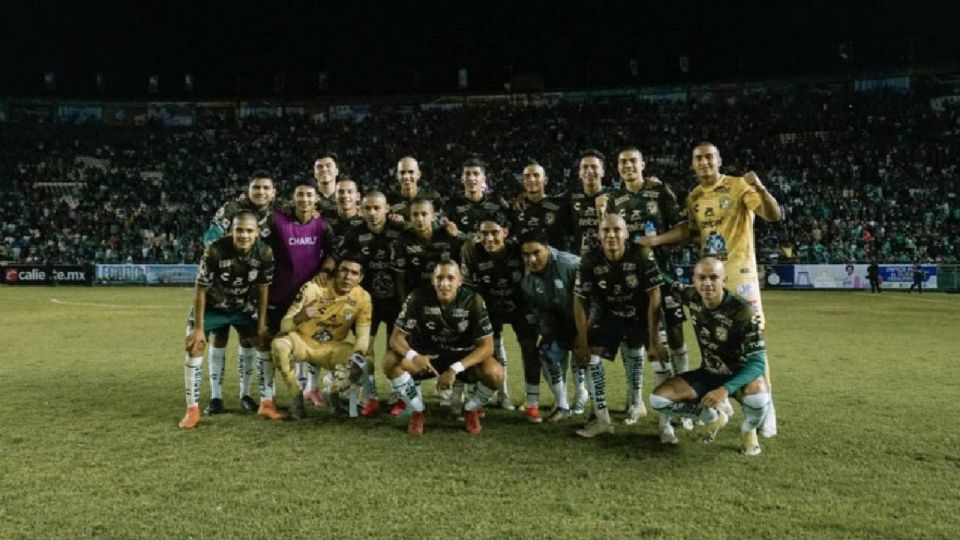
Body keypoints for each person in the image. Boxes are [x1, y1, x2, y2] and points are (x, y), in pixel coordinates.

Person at [642, 142, 782, 438]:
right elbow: (689, 231)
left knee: (755, 341)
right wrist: (655, 242)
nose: (704, 162)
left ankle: (767, 410)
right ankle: (721, 399)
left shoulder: (738, 186)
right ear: (692, 165)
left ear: (719, 160)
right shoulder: (694, 197)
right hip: (710, 279)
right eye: (698, 158)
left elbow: (773, 215)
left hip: (741, 278)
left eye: (709, 157)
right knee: (711, 338)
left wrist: (761, 187)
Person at [649, 257, 771, 456]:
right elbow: (667, 282)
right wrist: (648, 258)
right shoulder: (692, 295)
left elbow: (757, 362)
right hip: (708, 372)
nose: (707, 283)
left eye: (713, 277)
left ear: (724, 280)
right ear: (694, 280)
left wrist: (725, 390)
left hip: (738, 375)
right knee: (658, 400)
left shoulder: (743, 311)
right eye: (701, 278)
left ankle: (749, 431)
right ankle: (712, 417)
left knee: (759, 398)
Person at [603, 147, 692, 406]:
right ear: (618, 167)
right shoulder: (613, 199)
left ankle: (685, 393)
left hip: (663, 272)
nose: (628, 166)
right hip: (633, 279)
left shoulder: (660, 192)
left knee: (675, 333)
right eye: (622, 162)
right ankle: (661, 399)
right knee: (649, 334)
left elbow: (684, 229)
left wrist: (655, 240)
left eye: (633, 161)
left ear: (643, 164)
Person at [382, 259, 504, 435]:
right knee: (390, 360)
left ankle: (470, 409)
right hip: (427, 358)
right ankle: (418, 410)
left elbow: (487, 346)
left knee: (496, 373)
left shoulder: (473, 300)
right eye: (439, 278)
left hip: (462, 359)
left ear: (459, 281)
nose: (444, 284)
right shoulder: (418, 297)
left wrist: (454, 369)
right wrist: (414, 356)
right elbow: (396, 338)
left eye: (450, 278)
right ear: (433, 280)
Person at [573, 214, 667, 436]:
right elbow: (579, 300)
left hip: (642, 314)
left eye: (617, 230)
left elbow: (655, 295)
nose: (611, 235)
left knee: (659, 357)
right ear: (599, 234)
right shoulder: (590, 259)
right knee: (590, 355)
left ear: (626, 233)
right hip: (610, 314)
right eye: (606, 230)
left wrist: (653, 340)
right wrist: (583, 340)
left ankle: (666, 425)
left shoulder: (641, 253)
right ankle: (602, 419)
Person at [179, 211, 274, 429]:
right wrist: (199, 328)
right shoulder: (215, 250)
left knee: (263, 341)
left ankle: (266, 402)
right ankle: (192, 410)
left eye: (249, 231)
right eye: (239, 230)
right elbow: (200, 289)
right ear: (231, 231)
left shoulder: (265, 252)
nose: (244, 235)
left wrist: (261, 323)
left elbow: (262, 288)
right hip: (214, 305)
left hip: (243, 306)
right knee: (194, 346)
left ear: (257, 233)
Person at [200, 171, 277, 415]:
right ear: (248, 189)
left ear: (273, 192)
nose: (261, 192)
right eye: (257, 188)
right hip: (222, 287)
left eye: (266, 188)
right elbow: (210, 240)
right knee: (219, 337)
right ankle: (216, 397)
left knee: (249, 339)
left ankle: (245, 394)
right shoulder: (232, 209)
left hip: (251, 288)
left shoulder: (276, 213)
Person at [263, 184, 337, 413]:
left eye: (309, 195)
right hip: (279, 294)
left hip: (309, 298)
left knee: (311, 342)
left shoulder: (323, 226)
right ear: (293, 199)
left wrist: (325, 271)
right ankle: (268, 397)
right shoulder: (277, 221)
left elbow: (333, 254)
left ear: (316, 200)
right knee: (273, 344)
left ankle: (309, 389)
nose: (304, 199)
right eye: (300, 195)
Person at [269, 256, 372, 420]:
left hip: (332, 347)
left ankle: (333, 393)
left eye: (354, 273)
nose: (347, 277)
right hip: (303, 341)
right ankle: (296, 398)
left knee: (363, 361)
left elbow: (363, 336)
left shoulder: (363, 297)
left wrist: (357, 356)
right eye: (344, 270)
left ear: (360, 278)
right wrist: (300, 317)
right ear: (336, 272)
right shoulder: (313, 288)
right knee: (279, 344)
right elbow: (284, 327)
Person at [461, 214, 539, 416]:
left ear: (505, 231)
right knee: (489, 351)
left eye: (494, 233)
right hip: (490, 307)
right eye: (484, 233)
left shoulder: (517, 250)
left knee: (530, 349)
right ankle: (499, 396)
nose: (489, 238)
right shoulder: (473, 253)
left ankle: (532, 403)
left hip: (520, 306)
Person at [341, 191, 406, 416]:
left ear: (387, 208)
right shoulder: (354, 234)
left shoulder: (399, 231)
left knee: (394, 349)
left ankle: (398, 396)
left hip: (397, 302)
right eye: (367, 208)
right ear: (360, 209)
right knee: (364, 348)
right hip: (366, 304)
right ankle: (371, 398)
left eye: (377, 208)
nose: (372, 212)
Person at [519, 230, 589, 422]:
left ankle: (585, 397)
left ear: (548, 249)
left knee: (583, 356)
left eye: (536, 253)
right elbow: (538, 308)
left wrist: (583, 334)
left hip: (586, 318)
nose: (531, 259)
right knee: (547, 351)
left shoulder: (570, 265)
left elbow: (591, 299)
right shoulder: (526, 279)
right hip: (560, 320)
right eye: (526, 254)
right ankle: (562, 405)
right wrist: (547, 331)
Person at [511, 160, 574, 251]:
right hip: (525, 260)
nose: (531, 179)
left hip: (554, 262)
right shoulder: (515, 207)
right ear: (523, 181)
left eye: (536, 175)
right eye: (527, 176)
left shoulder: (561, 205)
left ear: (545, 180)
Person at [445, 157, 511, 238]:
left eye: (476, 174)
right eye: (467, 174)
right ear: (462, 178)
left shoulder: (497, 202)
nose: (471, 178)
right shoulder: (451, 204)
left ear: (483, 178)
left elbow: (509, 226)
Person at [569, 149, 612, 256]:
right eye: (585, 167)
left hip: (609, 257)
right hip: (580, 259)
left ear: (603, 172)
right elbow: (546, 199)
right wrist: (523, 196)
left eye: (594, 167)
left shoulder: (616, 196)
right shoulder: (570, 197)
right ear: (579, 172)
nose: (589, 171)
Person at [387, 156, 444, 226]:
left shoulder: (433, 196)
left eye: (411, 172)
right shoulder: (389, 200)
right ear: (397, 176)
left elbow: (442, 221)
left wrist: (405, 224)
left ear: (418, 174)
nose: (406, 177)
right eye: (402, 172)